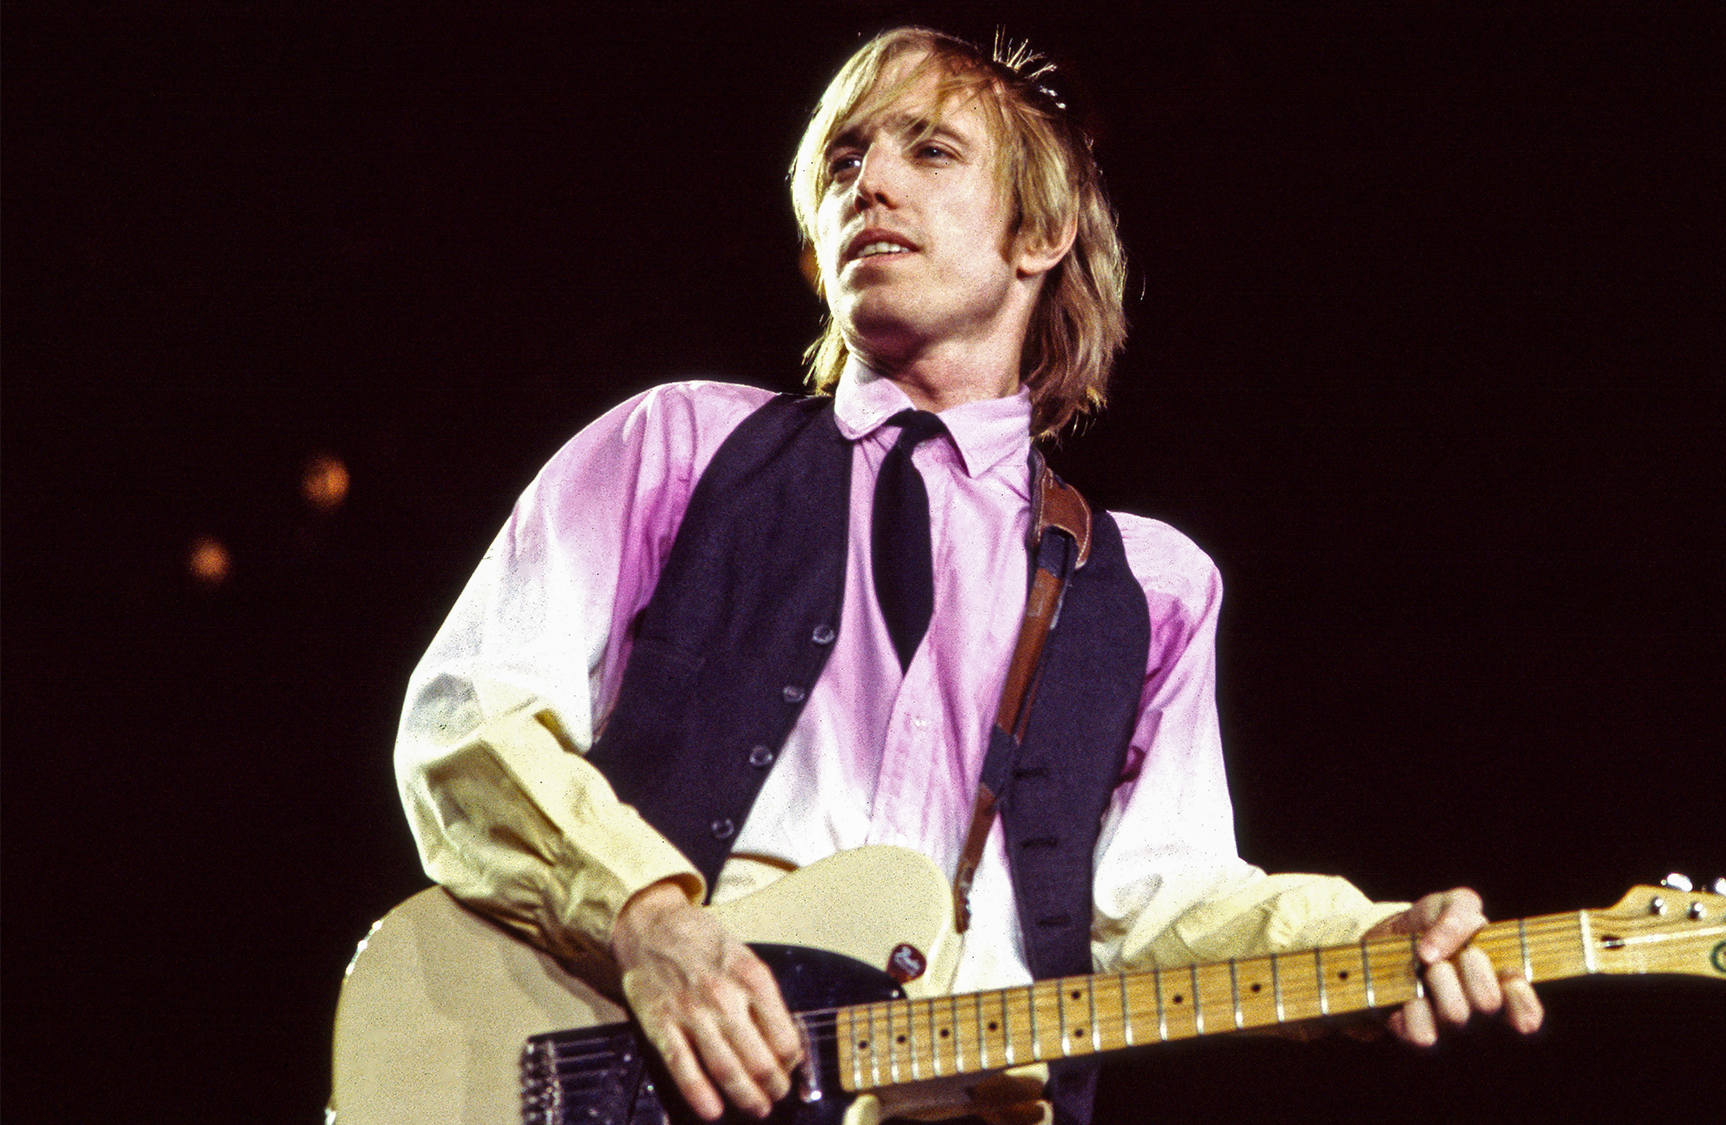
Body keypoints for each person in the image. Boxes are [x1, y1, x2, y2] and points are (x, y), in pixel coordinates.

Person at [394, 26, 1542, 1125]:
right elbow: (465, 723)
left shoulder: (1149, 588)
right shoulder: (679, 448)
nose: (869, 182)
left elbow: (1157, 902)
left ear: (1037, 233)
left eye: (926, 149)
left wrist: (1362, 943)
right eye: (844, 157)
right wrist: (649, 926)